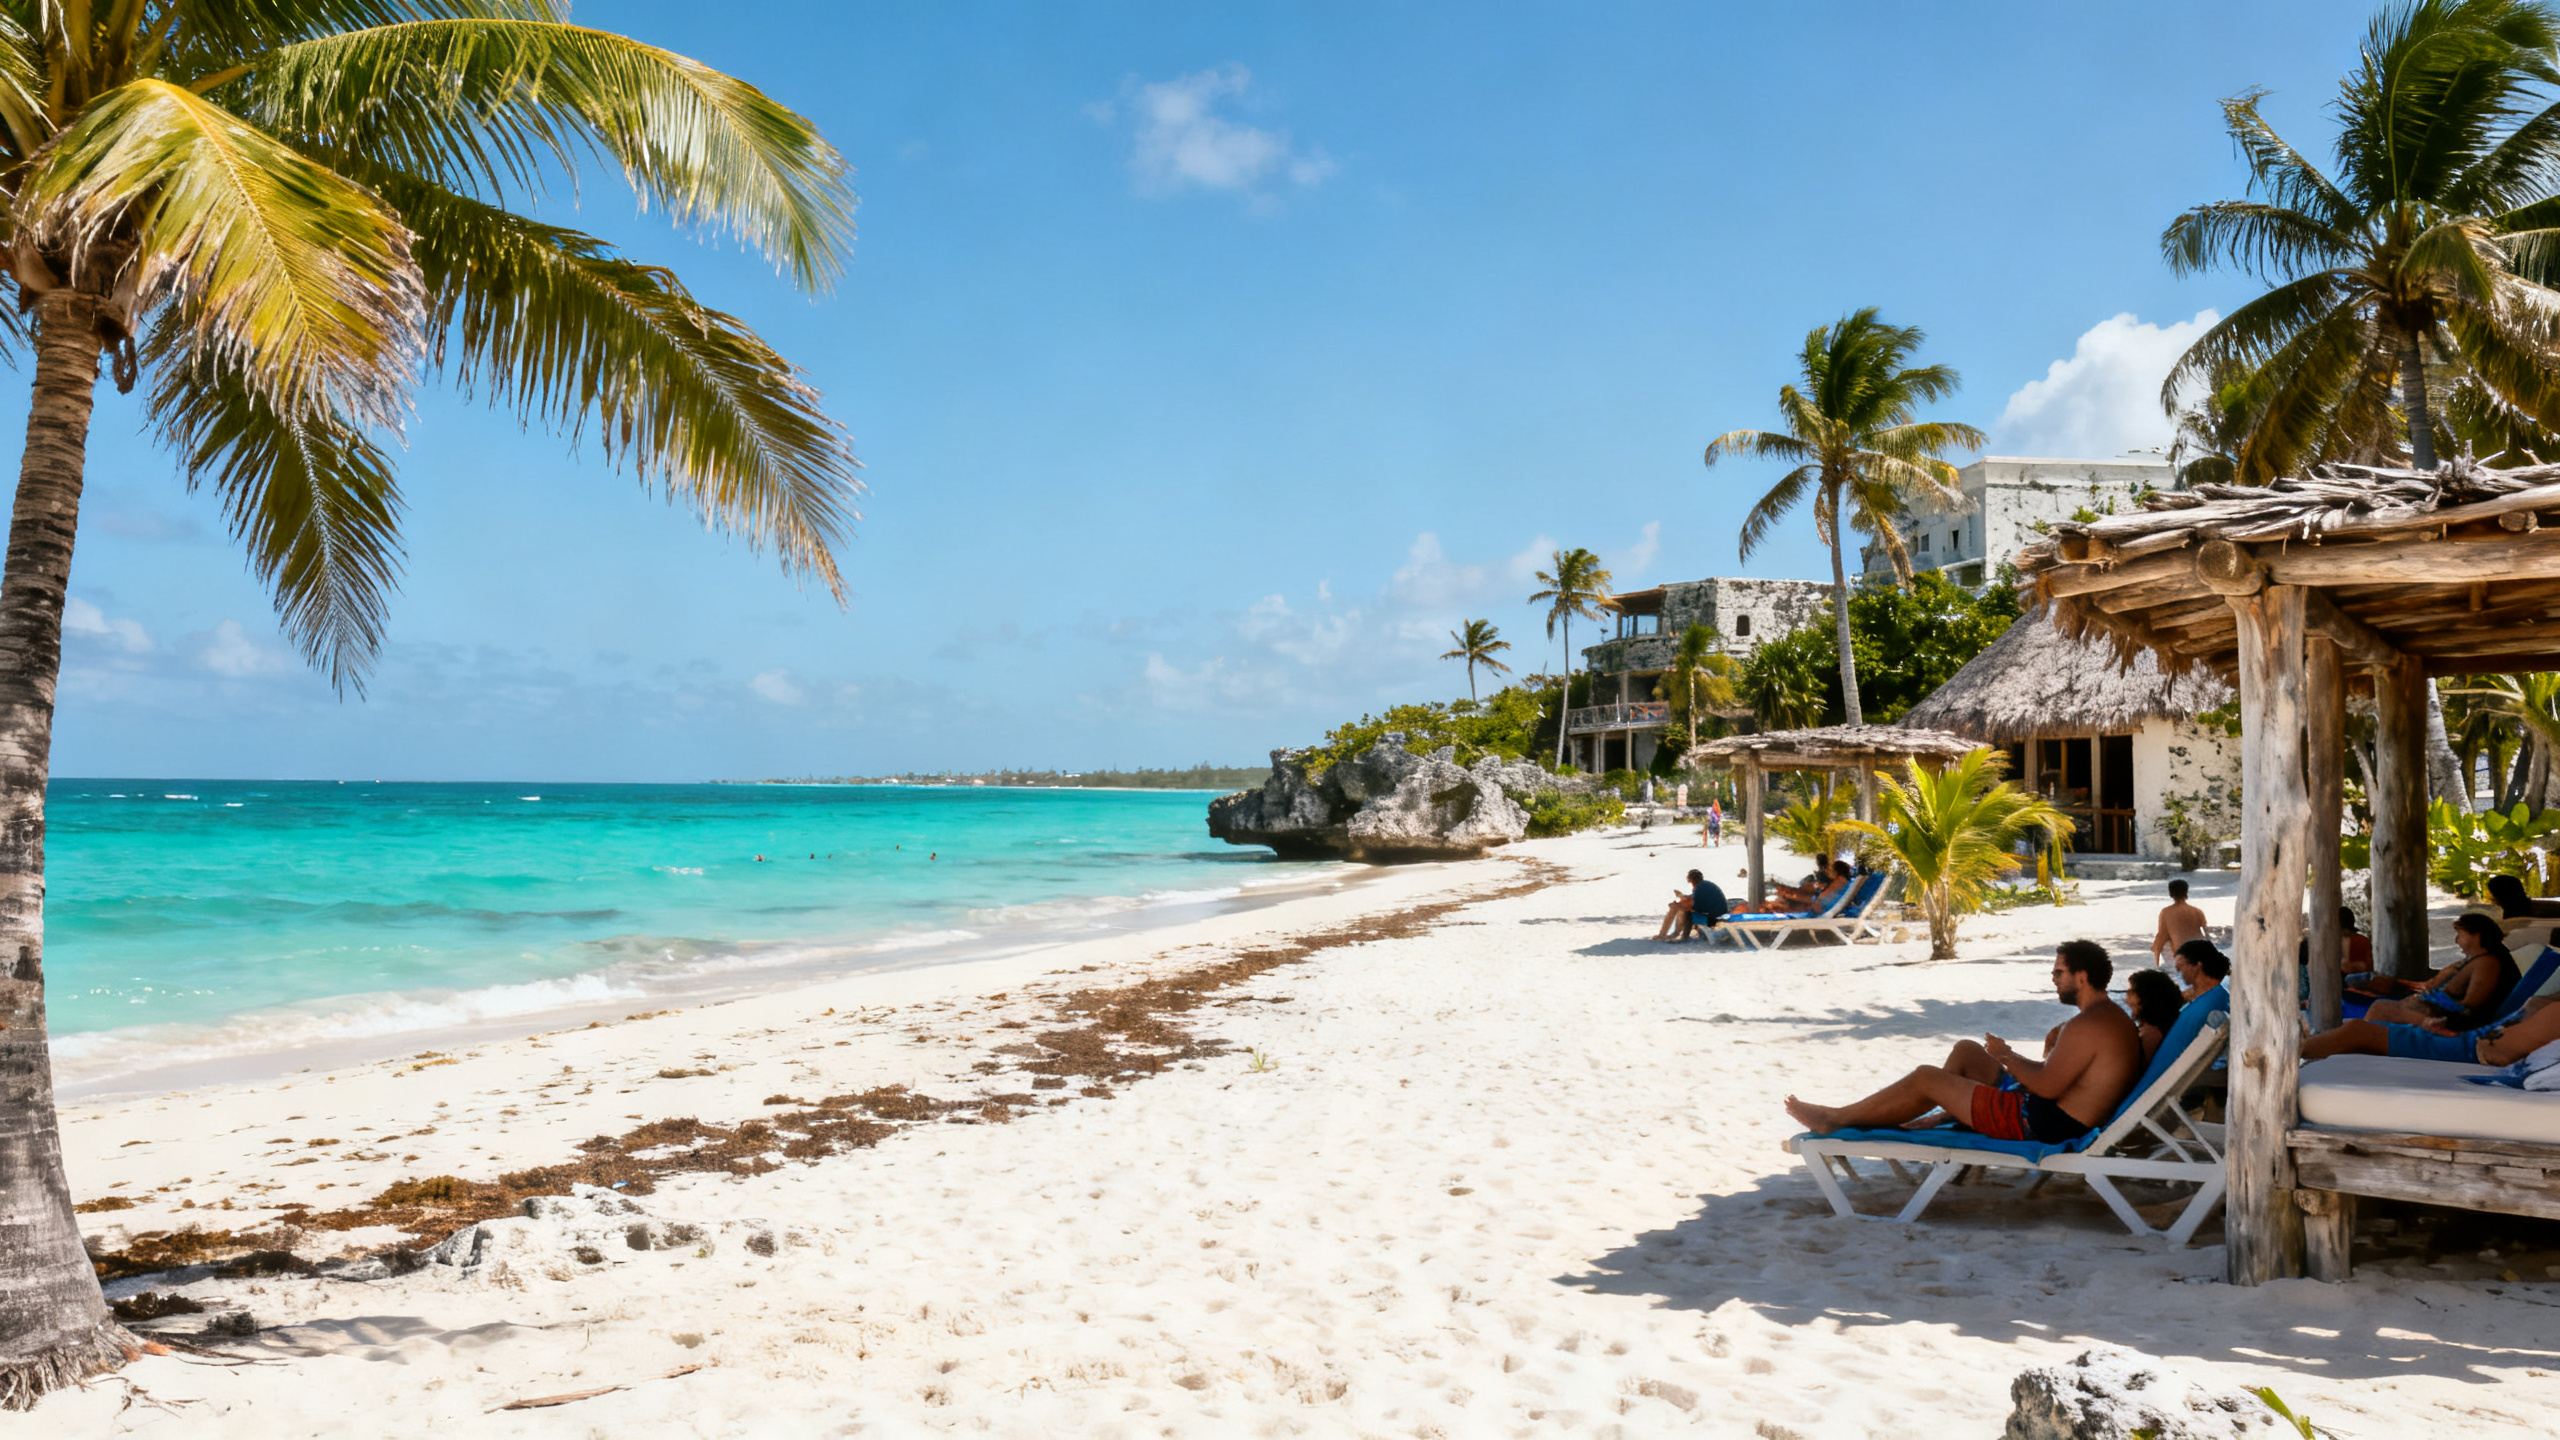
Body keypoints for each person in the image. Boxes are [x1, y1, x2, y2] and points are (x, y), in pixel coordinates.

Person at [1784, 941, 2144, 1146]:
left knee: (1927, 1077)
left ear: (2081, 976)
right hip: (2046, 1110)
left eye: (2058, 973)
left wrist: (2007, 1056)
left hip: (2037, 1122)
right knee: (1967, 1051)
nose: (2053, 979)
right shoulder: (2108, 1018)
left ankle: (1836, 1118)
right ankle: (1941, 1113)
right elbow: (2058, 1079)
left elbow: (2048, 1086)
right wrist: (2009, 1059)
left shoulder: (2087, 1026)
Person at [2350, 912, 2517, 1028]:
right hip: (2441, 1012)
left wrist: (2429, 1010)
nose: (2457, 940)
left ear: (2477, 936)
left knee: (2380, 1009)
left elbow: (2472, 1006)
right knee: (2376, 1006)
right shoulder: (2482, 961)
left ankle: (2369, 1056)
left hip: (2453, 1024)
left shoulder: (2488, 963)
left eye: (2460, 934)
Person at [2305, 991, 2560, 1065]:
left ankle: (2282, 1059)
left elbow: (2497, 1054)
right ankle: (2304, 1053)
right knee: (2360, 1025)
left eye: (2459, 933)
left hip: (2470, 1049)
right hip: (2475, 1040)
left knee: (2356, 1031)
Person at [2123, 968, 2186, 1064]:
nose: (2126, 996)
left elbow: (2137, 1068)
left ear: (2146, 998)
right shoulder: (2166, 1024)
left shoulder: (2150, 1034)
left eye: (2132, 991)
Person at [1655, 868, 1729, 941]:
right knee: (1681, 908)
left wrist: (1678, 905)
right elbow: (1693, 899)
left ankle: (1681, 936)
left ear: (1690, 879)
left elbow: (1693, 907)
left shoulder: (1700, 888)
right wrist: (1681, 900)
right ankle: (1672, 933)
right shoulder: (1704, 885)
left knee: (1687, 913)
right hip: (1718, 917)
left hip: (1713, 921)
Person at [2151, 879, 2208, 966]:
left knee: (2162, 942)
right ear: (2186, 892)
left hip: (2179, 953)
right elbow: (2207, 933)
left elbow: (2161, 936)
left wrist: (2156, 954)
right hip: (2197, 951)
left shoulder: (2166, 912)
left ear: (2171, 894)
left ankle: (2167, 966)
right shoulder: (2197, 911)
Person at [1773, 859, 1852, 913]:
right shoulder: (1844, 880)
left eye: (1832, 869)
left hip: (1821, 905)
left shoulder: (1840, 880)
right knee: (1797, 894)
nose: (1831, 870)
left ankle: (1782, 893)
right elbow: (1831, 891)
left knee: (1795, 897)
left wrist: (1816, 900)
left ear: (1837, 870)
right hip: (1823, 903)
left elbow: (1827, 894)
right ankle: (1783, 892)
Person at [2171, 938, 2230, 1004]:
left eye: (2181, 965)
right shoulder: (2186, 996)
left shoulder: (2222, 994)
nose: (2177, 970)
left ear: (2198, 965)